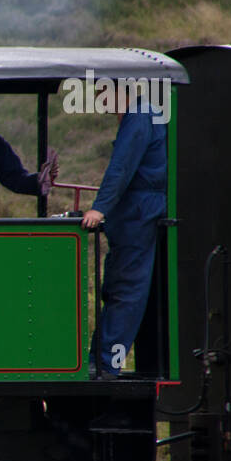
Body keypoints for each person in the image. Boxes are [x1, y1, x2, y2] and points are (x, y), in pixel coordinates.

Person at [82, 94, 167, 377]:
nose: (97, 97)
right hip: (134, 210)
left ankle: (106, 362)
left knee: (126, 287)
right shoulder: (141, 114)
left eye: (102, 90)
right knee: (119, 286)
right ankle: (102, 357)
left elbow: (121, 167)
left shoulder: (140, 115)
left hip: (139, 211)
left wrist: (99, 209)